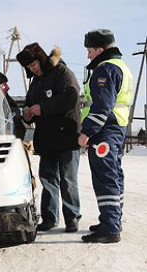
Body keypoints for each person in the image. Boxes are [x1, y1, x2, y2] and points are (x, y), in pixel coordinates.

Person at [16, 43, 82, 233]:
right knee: (48, 179)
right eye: (29, 68)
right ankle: (50, 218)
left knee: (68, 180)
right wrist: (27, 114)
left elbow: (71, 97)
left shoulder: (61, 72)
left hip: (67, 135)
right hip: (46, 138)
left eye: (34, 64)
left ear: (41, 59)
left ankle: (72, 218)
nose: (33, 69)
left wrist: (43, 108)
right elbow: (29, 104)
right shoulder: (35, 82)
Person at [78, 29, 133, 243]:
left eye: (90, 50)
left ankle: (110, 228)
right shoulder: (122, 66)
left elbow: (101, 107)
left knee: (106, 176)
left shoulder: (104, 69)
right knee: (114, 174)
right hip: (117, 127)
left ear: (100, 49)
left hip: (105, 130)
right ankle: (112, 220)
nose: (88, 55)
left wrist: (86, 132)